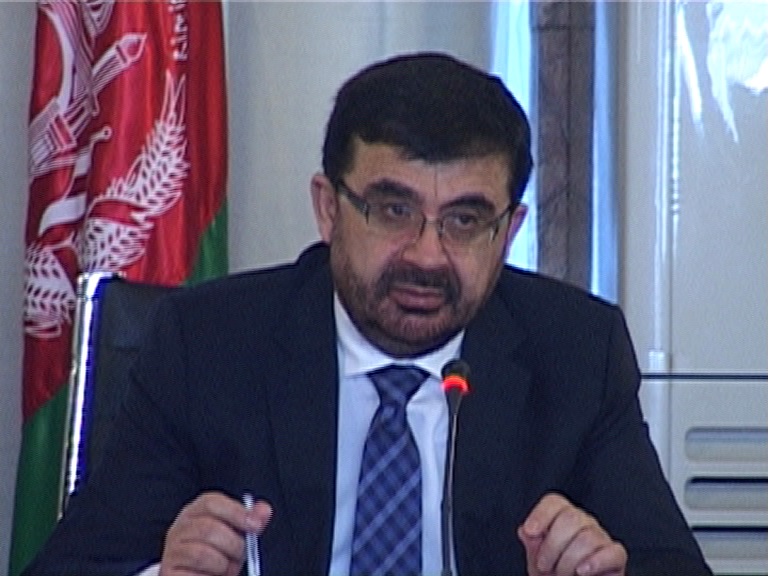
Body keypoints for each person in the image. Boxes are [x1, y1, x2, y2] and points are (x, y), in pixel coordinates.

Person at [24, 52, 712, 576]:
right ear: (329, 209)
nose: (427, 255)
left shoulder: (578, 354)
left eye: (466, 220)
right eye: (392, 210)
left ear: (508, 231)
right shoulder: (208, 345)